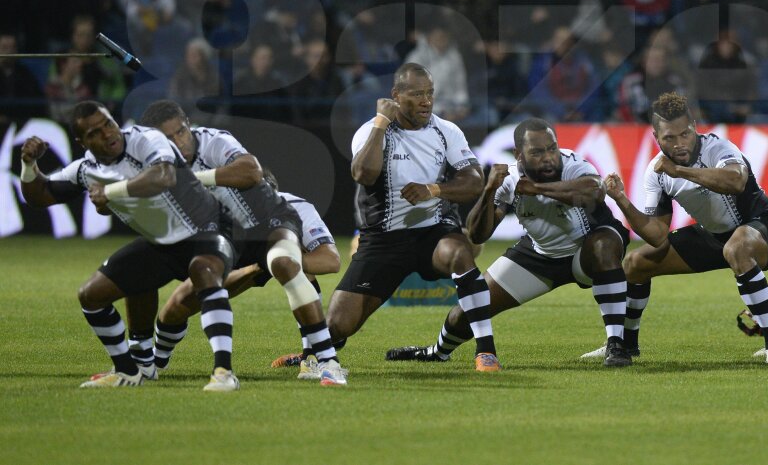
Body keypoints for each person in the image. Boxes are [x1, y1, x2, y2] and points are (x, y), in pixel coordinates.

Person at [18, 101, 238, 390]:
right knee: (91, 295)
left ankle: (224, 372)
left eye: (108, 123)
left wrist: (111, 192)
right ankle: (129, 370)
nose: (108, 133)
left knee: (203, 271)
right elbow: (40, 196)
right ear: (82, 142)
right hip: (162, 244)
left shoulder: (146, 138)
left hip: (208, 229)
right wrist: (28, 166)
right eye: (95, 132)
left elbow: (164, 176)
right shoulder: (86, 170)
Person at [387, 119, 634, 367]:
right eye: (537, 152)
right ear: (519, 155)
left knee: (602, 246)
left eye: (551, 148)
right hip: (540, 254)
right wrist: (489, 191)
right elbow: (477, 235)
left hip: (586, 250)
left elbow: (593, 192)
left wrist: (537, 188)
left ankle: (616, 345)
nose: (548, 157)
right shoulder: (509, 179)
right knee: (469, 309)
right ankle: (438, 352)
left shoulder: (572, 163)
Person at [138, 100, 346, 385]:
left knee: (288, 262)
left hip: (269, 234)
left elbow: (331, 260)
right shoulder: (157, 166)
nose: (179, 142)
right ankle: (154, 364)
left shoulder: (214, 144)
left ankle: (322, 359)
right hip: (230, 242)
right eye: (168, 138)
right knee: (180, 301)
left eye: (181, 132)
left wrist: (190, 180)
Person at [586, 92, 768, 363]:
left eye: (684, 134)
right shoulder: (656, 171)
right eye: (669, 138)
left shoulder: (718, 148)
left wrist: (680, 172)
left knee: (737, 247)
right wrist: (622, 200)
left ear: (695, 127)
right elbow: (656, 235)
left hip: (764, 226)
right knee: (636, 262)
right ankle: (625, 344)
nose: (679, 143)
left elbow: (736, 181)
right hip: (715, 237)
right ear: (656, 137)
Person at [327, 64, 496, 371]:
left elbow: (473, 180)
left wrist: (435, 189)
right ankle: (315, 353)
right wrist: (381, 121)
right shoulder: (372, 130)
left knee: (460, 252)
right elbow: (363, 174)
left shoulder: (446, 131)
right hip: (384, 240)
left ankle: (486, 352)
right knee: (338, 324)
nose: (426, 101)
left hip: (433, 232)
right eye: (417, 94)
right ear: (396, 96)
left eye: (430, 93)